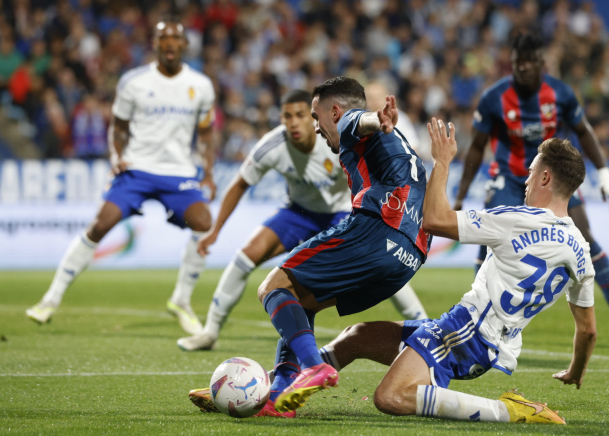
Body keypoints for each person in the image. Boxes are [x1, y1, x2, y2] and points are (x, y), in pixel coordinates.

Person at [188, 122, 597, 425]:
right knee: (357, 337)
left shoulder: (518, 219)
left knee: (391, 397)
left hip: (466, 334)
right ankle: (270, 391)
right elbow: (588, 330)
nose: (525, 180)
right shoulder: (581, 250)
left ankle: (508, 411)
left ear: (545, 177)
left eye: (530, 173)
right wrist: (575, 371)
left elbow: (434, 220)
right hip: (483, 338)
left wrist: (442, 162)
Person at [176, 89, 428, 351]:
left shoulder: (332, 136)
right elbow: (239, 184)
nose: (294, 122)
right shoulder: (272, 146)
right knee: (246, 255)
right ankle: (210, 332)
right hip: (299, 213)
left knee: (378, 258)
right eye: (287, 116)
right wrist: (215, 231)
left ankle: (422, 324)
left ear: (312, 119)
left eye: (300, 115)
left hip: (342, 212)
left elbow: (362, 128)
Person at [254, 77, 432, 416]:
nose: (316, 127)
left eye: (315, 116)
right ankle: (280, 394)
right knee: (302, 297)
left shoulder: (349, 120)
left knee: (273, 286)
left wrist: (374, 118)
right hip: (411, 255)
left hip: (376, 230)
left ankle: (313, 367)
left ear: (333, 111)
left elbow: (359, 120)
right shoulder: (400, 143)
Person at [26, 21, 216, 335]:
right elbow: (117, 127)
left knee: (204, 222)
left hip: (179, 172)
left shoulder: (201, 85)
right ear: (154, 43)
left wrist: (207, 172)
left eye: (175, 39)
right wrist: (116, 157)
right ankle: (50, 298)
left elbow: (207, 134)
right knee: (101, 224)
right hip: (137, 169)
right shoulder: (134, 81)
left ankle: (181, 301)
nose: (169, 44)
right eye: (163, 38)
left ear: (184, 45)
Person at [454, 33, 609, 341]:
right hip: (510, 177)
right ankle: (477, 321)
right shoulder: (494, 97)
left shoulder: (560, 94)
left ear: (542, 63)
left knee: (585, 239)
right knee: (489, 239)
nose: (523, 68)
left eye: (529, 62)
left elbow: (584, 131)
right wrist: (460, 195)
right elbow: (476, 147)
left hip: (553, 179)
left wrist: (606, 174)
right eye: (518, 62)